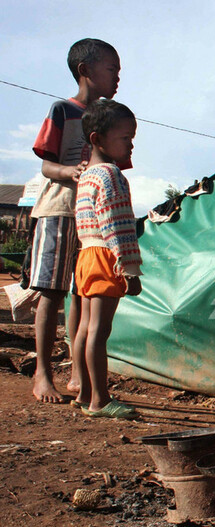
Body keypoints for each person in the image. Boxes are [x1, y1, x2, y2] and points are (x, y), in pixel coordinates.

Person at [30, 39, 121, 403]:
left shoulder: (109, 119)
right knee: (51, 292)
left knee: (83, 295)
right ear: (85, 71)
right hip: (59, 209)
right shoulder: (63, 110)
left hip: (92, 219)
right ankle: (42, 372)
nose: (117, 77)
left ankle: (78, 373)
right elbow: (46, 165)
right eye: (112, 69)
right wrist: (70, 171)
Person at [71, 99, 141, 418]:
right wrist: (129, 268)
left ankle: (84, 393)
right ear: (98, 139)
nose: (131, 145)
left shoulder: (87, 175)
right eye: (125, 138)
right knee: (99, 331)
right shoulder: (111, 175)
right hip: (106, 256)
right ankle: (100, 400)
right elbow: (117, 226)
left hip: (86, 254)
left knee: (85, 328)